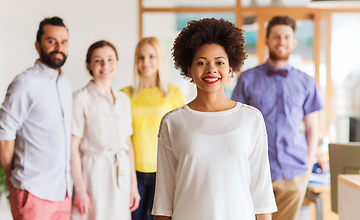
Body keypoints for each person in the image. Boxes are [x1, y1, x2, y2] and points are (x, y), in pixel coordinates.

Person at [152, 18, 277, 220]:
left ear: (230, 69)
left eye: (219, 62)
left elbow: (261, 194)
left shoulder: (251, 119)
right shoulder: (172, 122)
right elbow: (164, 201)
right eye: (201, 62)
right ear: (188, 69)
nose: (211, 69)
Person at [231, 15, 324, 220]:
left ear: (293, 42)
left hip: (294, 171)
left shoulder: (306, 82)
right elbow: (235, 125)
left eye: (286, 37)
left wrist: (307, 168)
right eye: (276, 37)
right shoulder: (247, 79)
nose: (281, 41)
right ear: (266, 41)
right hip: (255, 170)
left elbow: (311, 129)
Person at [0, 16, 73, 219]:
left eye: (64, 42)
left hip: (63, 192)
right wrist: (11, 180)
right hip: (32, 191)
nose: (59, 47)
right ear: (37, 45)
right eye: (51, 41)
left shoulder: (66, 84)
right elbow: (4, 136)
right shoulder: (24, 84)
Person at [71, 40, 140, 220]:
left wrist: (133, 185)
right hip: (94, 173)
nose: (105, 65)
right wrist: (79, 190)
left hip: (121, 174)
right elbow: (72, 148)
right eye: (98, 60)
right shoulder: (80, 98)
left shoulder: (123, 100)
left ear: (116, 63)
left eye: (110, 59)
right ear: (89, 65)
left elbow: (128, 144)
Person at [121, 37, 186, 220]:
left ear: (160, 59)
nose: (146, 62)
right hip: (132, 174)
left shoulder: (174, 94)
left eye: (151, 56)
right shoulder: (124, 95)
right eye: (141, 57)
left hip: (164, 173)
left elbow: (181, 137)